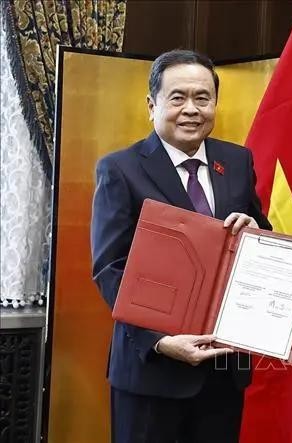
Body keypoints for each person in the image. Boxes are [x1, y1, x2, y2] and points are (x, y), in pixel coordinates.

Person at [91, 49, 271, 443]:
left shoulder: (237, 161)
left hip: (222, 370)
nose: (192, 109)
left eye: (202, 98)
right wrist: (159, 341)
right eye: (178, 98)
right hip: (151, 371)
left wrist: (256, 230)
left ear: (215, 103)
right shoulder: (120, 169)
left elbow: (261, 235)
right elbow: (110, 268)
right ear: (151, 104)